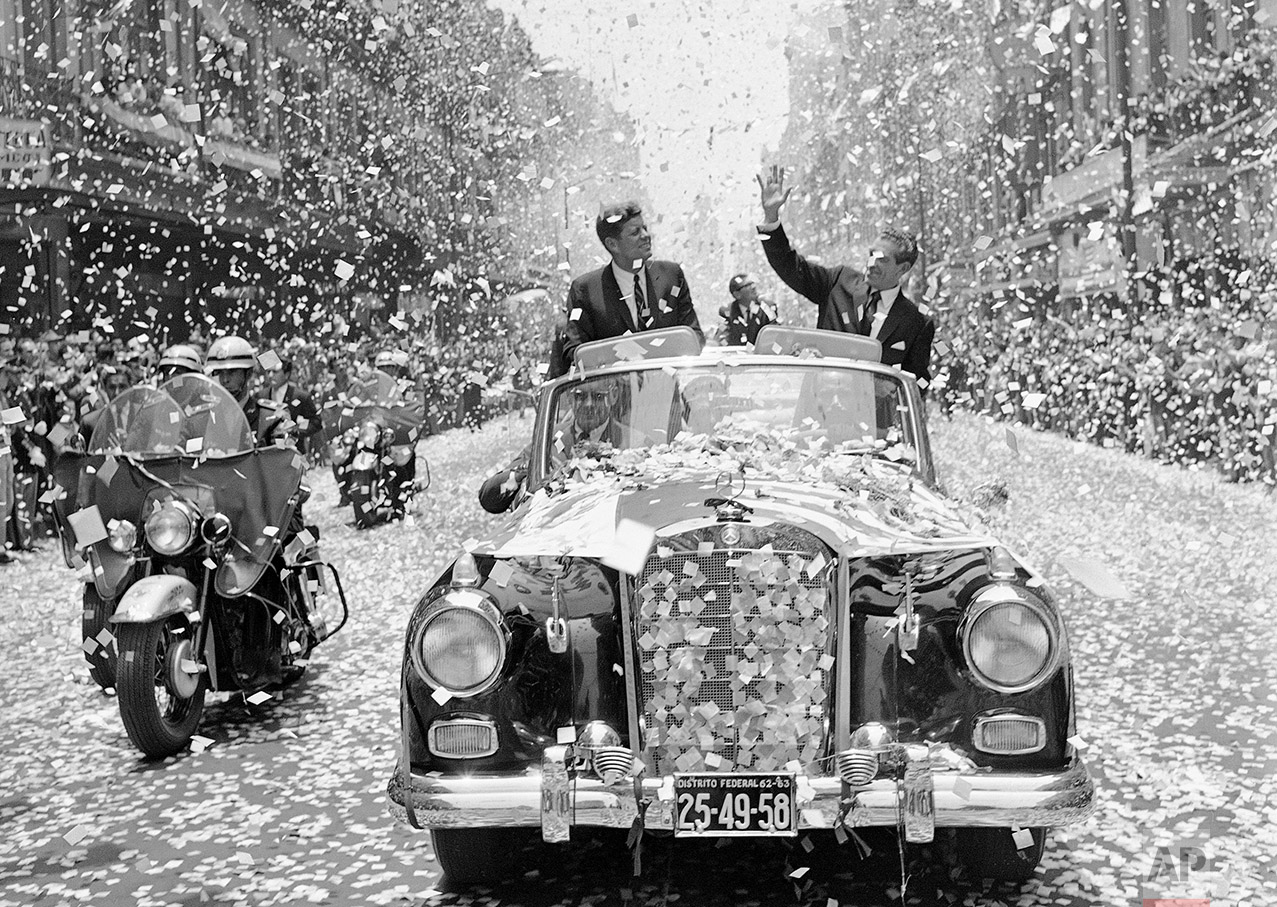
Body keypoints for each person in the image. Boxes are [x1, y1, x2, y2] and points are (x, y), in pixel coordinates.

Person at [755, 166, 935, 389]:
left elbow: (920, 383)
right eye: (871, 255)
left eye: (883, 260)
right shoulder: (839, 282)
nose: (872, 264)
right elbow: (790, 267)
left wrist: (889, 390)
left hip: (874, 421)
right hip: (819, 411)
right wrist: (771, 217)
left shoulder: (916, 323)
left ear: (903, 268)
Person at [561, 201, 703, 366]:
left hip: (665, 386)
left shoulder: (671, 276)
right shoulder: (585, 290)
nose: (645, 235)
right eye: (635, 232)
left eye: (645, 228)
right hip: (614, 389)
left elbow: (695, 336)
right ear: (612, 244)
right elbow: (574, 352)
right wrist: (618, 362)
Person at [478, 380, 630, 514]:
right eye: (580, 396)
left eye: (598, 396)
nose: (588, 404)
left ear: (613, 396)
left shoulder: (633, 441)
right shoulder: (550, 438)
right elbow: (489, 499)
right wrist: (534, 468)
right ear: (570, 399)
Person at [719, 273, 776, 346]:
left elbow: (776, 334)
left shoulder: (767, 308)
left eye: (752, 283)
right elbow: (722, 338)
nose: (753, 287)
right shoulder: (727, 312)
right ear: (737, 294)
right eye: (747, 285)